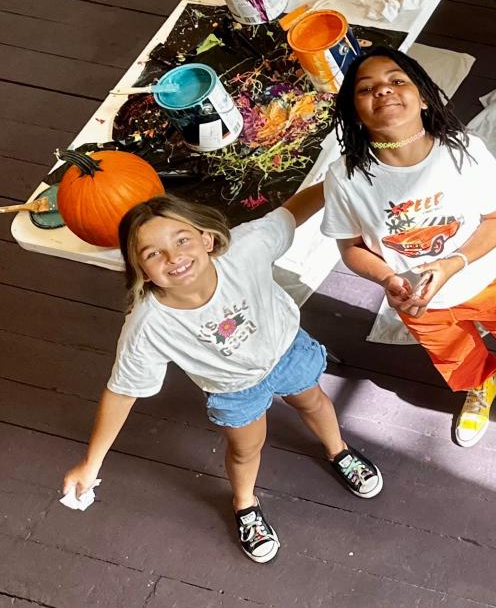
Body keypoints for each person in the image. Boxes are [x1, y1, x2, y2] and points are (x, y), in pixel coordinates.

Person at [61, 185, 382, 566]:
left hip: (286, 350)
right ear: (142, 272)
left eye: (181, 240)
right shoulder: (148, 326)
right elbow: (122, 392)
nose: (173, 257)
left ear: (207, 239)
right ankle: (245, 503)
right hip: (235, 390)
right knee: (246, 449)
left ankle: (338, 451)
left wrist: (339, 180)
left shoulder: (247, 248)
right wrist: (91, 463)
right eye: (153, 254)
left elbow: (292, 211)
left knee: (312, 400)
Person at [322, 46, 496, 448]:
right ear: (355, 111)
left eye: (397, 80)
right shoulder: (345, 177)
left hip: (487, 278)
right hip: (418, 301)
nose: (383, 91)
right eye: (366, 88)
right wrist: (388, 277)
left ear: (422, 97)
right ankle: (482, 383)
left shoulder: (462, 151)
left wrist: (455, 262)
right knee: (454, 355)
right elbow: (351, 247)